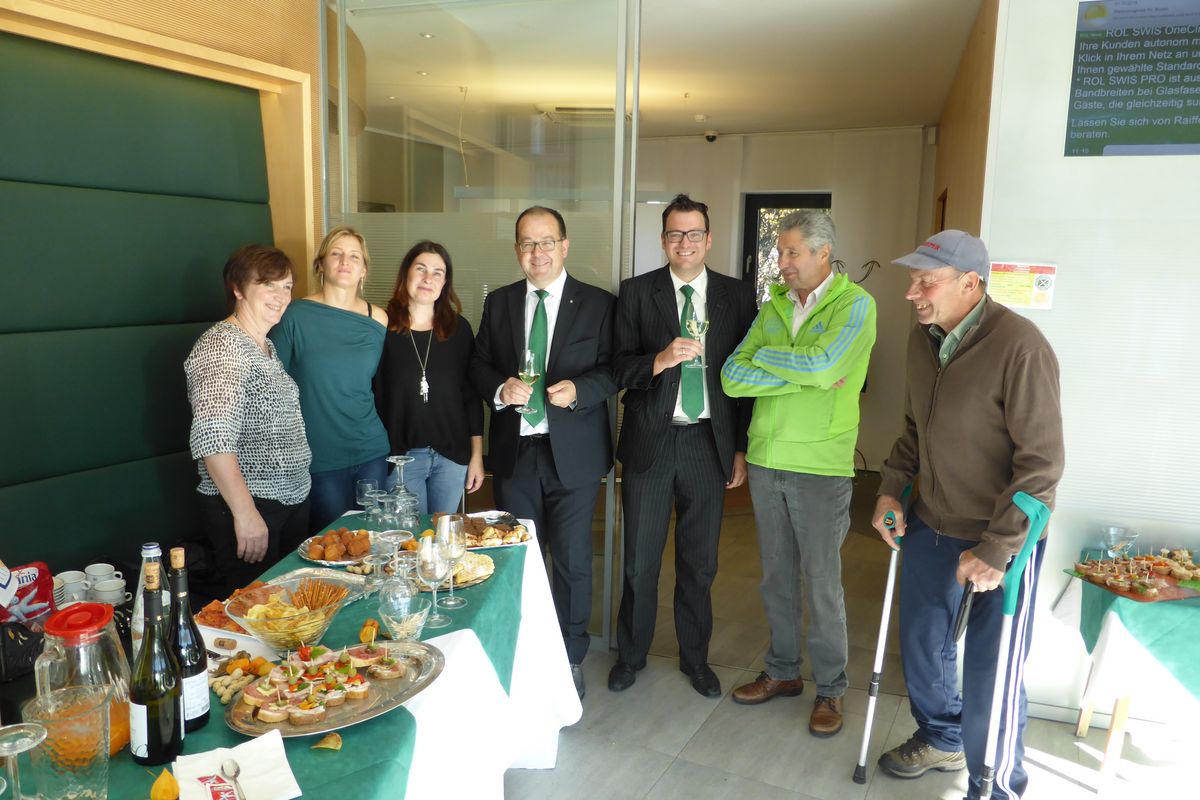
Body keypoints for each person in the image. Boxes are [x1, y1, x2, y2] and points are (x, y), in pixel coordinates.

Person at [872, 230, 1063, 799]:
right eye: (913, 280)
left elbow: (1042, 466)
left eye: (925, 282)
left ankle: (996, 784)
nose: (912, 293)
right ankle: (942, 738)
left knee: (991, 671)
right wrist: (890, 491)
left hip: (1001, 543)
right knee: (923, 649)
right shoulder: (922, 340)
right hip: (931, 523)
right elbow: (914, 431)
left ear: (970, 283)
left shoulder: (1021, 347)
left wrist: (997, 550)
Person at [720, 210, 876, 737]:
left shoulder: (855, 305)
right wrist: (800, 373)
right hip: (767, 459)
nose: (782, 262)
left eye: (792, 252)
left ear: (823, 252)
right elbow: (732, 376)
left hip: (820, 464)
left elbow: (827, 366)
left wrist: (781, 363)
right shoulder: (774, 306)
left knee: (822, 584)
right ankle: (783, 672)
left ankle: (830, 688)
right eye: (779, 252)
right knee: (776, 578)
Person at [608, 194, 757, 697]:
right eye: (675, 234)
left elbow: (746, 382)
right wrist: (659, 360)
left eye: (694, 234)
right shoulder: (636, 292)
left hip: (707, 443)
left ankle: (696, 659)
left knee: (700, 564)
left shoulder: (737, 296)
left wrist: (739, 449)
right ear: (663, 239)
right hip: (650, 440)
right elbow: (617, 367)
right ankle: (631, 656)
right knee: (639, 561)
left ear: (708, 239)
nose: (684, 243)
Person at [470, 206, 617, 698]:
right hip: (515, 453)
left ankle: (570, 658)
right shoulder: (499, 302)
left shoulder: (598, 303)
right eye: (528, 243)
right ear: (517, 250)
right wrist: (500, 389)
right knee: (518, 558)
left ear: (564, 246)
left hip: (573, 454)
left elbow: (615, 369)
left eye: (546, 242)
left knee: (573, 561)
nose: (538, 252)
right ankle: (524, 651)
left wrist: (579, 389)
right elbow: (479, 364)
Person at [184, 245, 312, 595]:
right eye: (268, 285)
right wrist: (245, 514)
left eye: (287, 286)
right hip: (253, 506)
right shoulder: (222, 346)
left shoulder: (263, 345)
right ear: (238, 289)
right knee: (255, 613)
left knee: (290, 610)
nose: (281, 296)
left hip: (288, 500)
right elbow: (213, 439)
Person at [269, 226, 390, 533]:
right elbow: (273, 385)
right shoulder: (295, 314)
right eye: (336, 253)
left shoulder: (378, 318)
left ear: (364, 269)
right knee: (334, 546)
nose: (345, 261)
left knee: (374, 542)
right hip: (319, 455)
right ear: (321, 264)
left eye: (354, 256)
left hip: (372, 449)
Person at [374, 241, 484, 515]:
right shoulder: (382, 327)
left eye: (437, 272)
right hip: (400, 458)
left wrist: (476, 456)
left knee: (442, 535)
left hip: (452, 457)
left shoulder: (459, 329)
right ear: (406, 274)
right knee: (409, 538)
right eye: (420, 269)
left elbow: (471, 398)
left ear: (445, 282)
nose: (428, 278)